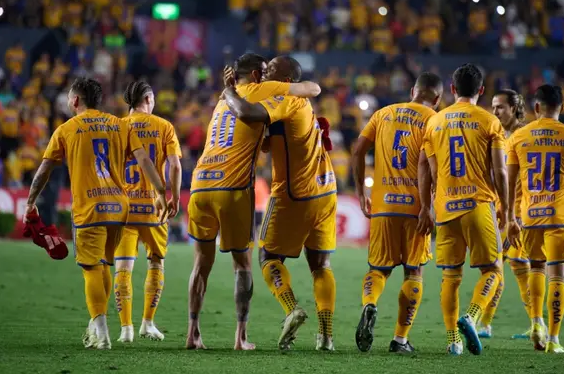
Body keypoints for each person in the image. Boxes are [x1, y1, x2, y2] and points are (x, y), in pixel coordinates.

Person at [185, 54, 321, 350]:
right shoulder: (264, 89)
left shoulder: (222, 100)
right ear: (258, 74)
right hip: (232, 188)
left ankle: (192, 333)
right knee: (243, 265)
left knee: (201, 263)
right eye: (266, 71)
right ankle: (241, 337)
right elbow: (312, 88)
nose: (269, 75)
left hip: (199, 184)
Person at [23, 77, 168, 350]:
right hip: (119, 208)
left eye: (69, 97)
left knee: (91, 268)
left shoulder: (66, 129)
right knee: (103, 264)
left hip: (90, 208)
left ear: (76, 100)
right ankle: (96, 325)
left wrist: (30, 201)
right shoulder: (120, 125)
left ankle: (101, 333)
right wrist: (160, 192)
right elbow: (144, 160)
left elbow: (44, 170)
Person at [223, 56, 337, 351]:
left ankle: (291, 309)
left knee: (268, 257)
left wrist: (229, 91)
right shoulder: (303, 105)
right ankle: (326, 337)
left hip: (294, 194)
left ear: (286, 80)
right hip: (326, 191)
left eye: (271, 70)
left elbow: (248, 114)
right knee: (321, 265)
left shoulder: (285, 99)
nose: (265, 74)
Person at [418, 63, 515, 356]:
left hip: (445, 207)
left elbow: (427, 169)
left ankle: (453, 341)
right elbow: (500, 171)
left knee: (451, 276)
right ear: (481, 90)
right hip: (477, 204)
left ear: (452, 89)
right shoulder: (489, 121)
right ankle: (472, 316)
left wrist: (426, 207)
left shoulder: (434, 122)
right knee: (493, 270)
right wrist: (507, 209)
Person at [351, 72, 443, 353]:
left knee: (378, 269)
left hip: (383, 206)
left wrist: (361, 193)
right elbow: (431, 165)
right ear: (437, 98)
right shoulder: (434, 119)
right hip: (415, 208)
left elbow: (357, 152)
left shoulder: (383, 113)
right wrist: (429, 206)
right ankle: (400, 340)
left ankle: (369, 304)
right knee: (414, 271)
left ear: (413, 90)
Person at [506, 84, 564, 354]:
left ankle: (535, 322)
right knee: (558, 274)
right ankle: (553, 339)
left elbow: (511, 182)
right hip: (559, 215)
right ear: (562, 107)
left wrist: (510, 217)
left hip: (529, 215)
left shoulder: (518, 137)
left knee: (536, 268)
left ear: (536, 107)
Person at [114, 81, 183, 343]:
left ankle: (125, 328)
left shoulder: (118, 127)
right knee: (155, 262)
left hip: (124, 209)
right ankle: (148, 323)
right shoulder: (164, 126)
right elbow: (175, 166)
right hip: (155, 207)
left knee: (123, 267)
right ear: (149, 98)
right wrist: (174, 197)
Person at [476, 89, 533, 340]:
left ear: (514, 108)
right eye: (493, 106)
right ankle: (488, 324)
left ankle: (535, 323)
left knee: (513, 265)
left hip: (517, 211)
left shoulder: (524, 135)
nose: (495, 111)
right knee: (499, 265)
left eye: (500, 107)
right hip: (499, 210)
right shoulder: (496, 134)